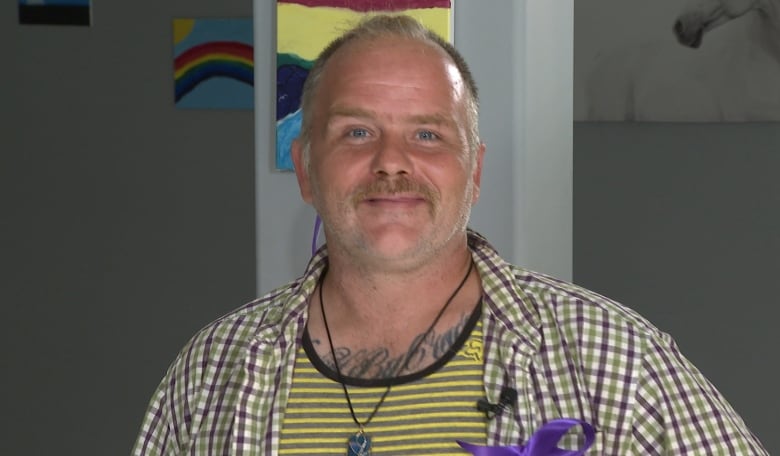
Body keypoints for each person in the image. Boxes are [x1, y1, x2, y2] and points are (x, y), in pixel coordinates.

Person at [132, 14, 767, 456]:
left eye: (428, 135)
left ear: (476, 172)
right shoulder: (211, 372)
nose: (391, 161)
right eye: (356, 132)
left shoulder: (616, 362)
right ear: (304, 168)